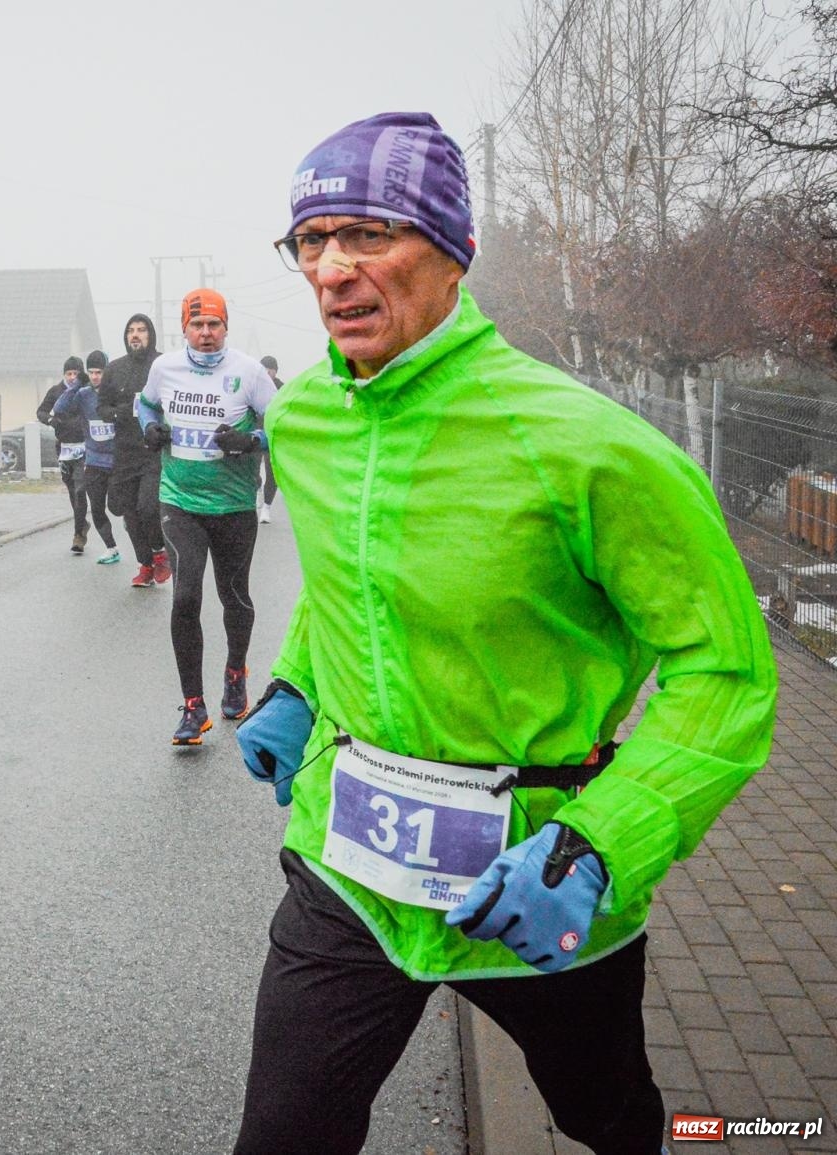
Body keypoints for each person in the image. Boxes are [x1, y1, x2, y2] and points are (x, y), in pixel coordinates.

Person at [232, 111, 778, 1155]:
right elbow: (352, 578)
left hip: (539, 881)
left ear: (452, 253)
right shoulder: (303, 419)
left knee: (607, 1119)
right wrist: (300, 683)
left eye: (368, 234)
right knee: (283, 1134)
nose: (333, 269)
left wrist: (602, 843)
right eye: (311, 241)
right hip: (345, 867)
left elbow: (725, 673)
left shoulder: (593, 450)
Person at [139, 288, 276, 744]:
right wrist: (149, 427)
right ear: (185, 328)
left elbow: (281, 423)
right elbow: (145, 403)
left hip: (234, 505)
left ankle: (235, 671)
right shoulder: (164, 368)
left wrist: (252, 441)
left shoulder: (249, 372)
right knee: (185, 598)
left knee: (233, 596)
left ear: (225, 328)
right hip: (179, 501)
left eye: (213, 325)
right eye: (197, 325)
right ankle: (193, 707)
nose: (205, 333)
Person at [97, 315, 171, 587]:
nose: (135, 335)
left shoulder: (163, 365)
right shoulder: (114, 369)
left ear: (151, 334)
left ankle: (160, 553)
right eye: (131, 331)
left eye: (141, 330)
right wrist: (122, 413)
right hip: (124, 452)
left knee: (147, 506)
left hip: (153, 450)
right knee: (128, 512)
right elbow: (101, 408)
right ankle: (145, 565)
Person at [54, 349, 120, 564]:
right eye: (90, 372)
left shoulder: (116, 392)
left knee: (120, 506)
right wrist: (75, 386)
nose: (94, 377)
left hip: (118, 461)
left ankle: (137, 527)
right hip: (93, 461)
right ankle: (111, 548)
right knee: (97, 508)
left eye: (99, 372)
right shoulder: (83, 394)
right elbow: (60, 408)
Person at [37, 356, 91, 553]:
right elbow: (41, 412)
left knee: (80, 489)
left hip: (83, 447)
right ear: (64, 374)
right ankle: (82, 523)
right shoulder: (56, 391)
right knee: (71, 490)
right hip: (63, 447)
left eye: (75, 374)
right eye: (68, 374)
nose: (71, 378)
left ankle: (78, 535)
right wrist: (50, 420)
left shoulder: (86, 391)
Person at [255, 356, 282, 524]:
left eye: (269, 369)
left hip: (274, 435)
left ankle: (266, 506)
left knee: (272, 473)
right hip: (256, 434)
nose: (266, 372)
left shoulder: (282, 389)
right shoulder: (253, 385)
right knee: (252, 468)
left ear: (275, 371)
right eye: (263, 368)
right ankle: (257, 487)